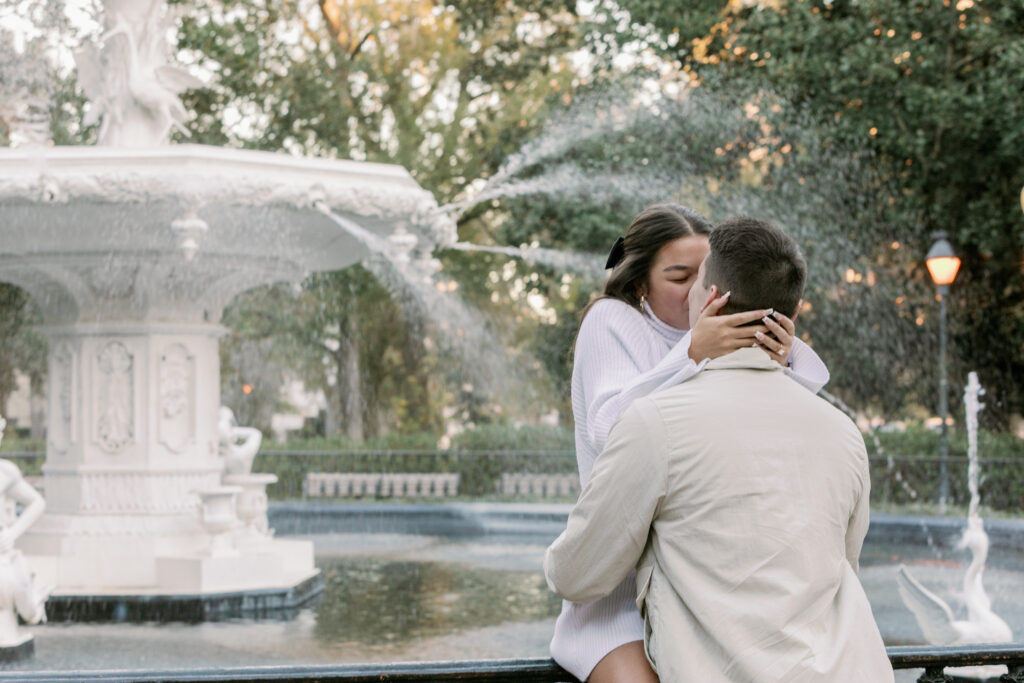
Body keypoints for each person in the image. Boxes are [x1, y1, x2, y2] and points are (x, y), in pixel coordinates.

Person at [545, 217, 893, 682]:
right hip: (618, 592)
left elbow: (763, 425)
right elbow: (610, 434)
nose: (691, 289)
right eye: (678, 276)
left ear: (715, 293)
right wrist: (692, 351)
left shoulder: (688, 396)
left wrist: (777, 357)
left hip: (704, 607)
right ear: (641, 282)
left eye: (699, 275)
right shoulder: (617, 322)